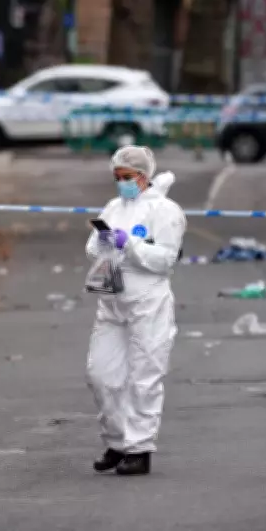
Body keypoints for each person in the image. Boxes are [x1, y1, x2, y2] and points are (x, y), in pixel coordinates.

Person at [84, 145, 187, 476]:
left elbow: (165, 260)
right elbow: (92, 246)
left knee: (145, 377)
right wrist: (104, 242)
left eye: (127, 177)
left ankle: (139, 449)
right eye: (117, 177)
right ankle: (116, 441)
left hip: (148, 302)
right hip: (112, 300)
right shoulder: (115, 206)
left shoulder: (165, 210)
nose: (121, 183)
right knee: (101, 375)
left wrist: (130, 244)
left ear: (144, 177)